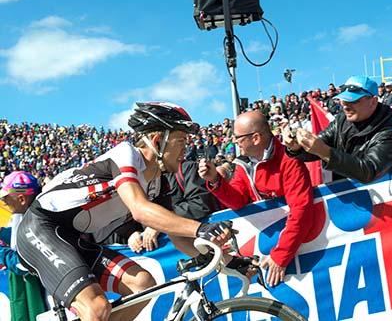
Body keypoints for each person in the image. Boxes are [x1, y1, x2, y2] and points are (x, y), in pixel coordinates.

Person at [15, 102, 233, 321]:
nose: (186, 149)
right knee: (96, 308)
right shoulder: (125, 154)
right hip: (40, 228)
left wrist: (227, 261)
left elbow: (176, 235)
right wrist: (203, 229)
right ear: (158, 141)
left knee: (143, 284)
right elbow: (140, 210)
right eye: (181, 141)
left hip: (72, 237)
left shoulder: (159, 183)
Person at [198, 111, 315, 287]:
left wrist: (281, 255)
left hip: (294, 250)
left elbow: (302, 211)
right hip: (267, 251)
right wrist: (215, 180)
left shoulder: (289, 160)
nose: (233, 141)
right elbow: (238, 201)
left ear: (256, 138)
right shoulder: (244, 162)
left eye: (238, 137)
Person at [284, 75, 392, 183]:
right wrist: (296, 147)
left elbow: (368, 171)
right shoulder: (341, 121)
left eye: (353, 100)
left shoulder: (389, 134)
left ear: (373, 102)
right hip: (348, 197)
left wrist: (325, 152)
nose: (345, 106)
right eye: (344, 100)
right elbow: (318, 145)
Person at [126, 159, 221, 253]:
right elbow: (135, 214)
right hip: (167, 256)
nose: (183, 147)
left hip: (203, 244)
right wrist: (134, 233)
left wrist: (159, 222)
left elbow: (199, 204)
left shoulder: (186, 168)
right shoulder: (136, 182)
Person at [0, 171, 47, 321]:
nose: (5, 203)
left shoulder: (38, 223)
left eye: (6, 199)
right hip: (29, 288)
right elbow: (16, 236)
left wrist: (1, 252)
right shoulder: (25, 214)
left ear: (21, 199)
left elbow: (23, 264)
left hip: (40, 294)